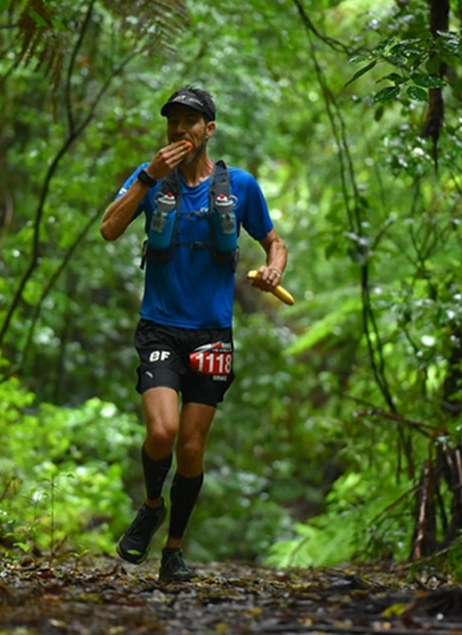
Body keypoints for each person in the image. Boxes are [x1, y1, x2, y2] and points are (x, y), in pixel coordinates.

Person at [99, 85, 288, 582]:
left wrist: (273, 268)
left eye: (190, 121)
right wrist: (147, 177)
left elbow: (274, 242)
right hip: (160, 326)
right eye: (173, 121)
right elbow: (109, 228)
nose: (180, 130)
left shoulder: (240, 186)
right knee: (161, 432)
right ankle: (151, 505)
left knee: (191, 447)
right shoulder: (152, 181)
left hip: (211, 334)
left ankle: (174, 550)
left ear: (209, 130)